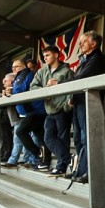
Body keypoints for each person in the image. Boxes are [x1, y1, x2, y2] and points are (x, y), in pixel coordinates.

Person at [68, 31, 105, 183]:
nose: (80, 44)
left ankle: (91, 172)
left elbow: (81, 78)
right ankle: (80, 170)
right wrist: (73, 97)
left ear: (93, 44)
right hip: (79, 101)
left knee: (88, 138)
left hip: (88, 102)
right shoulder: (84, 59)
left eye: (84, 41)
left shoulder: (97, 59)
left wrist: (59, 83)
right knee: (78, 138)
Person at [31, 45, 74, 177]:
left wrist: (66, 106)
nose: (45, 58)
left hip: (62, 110)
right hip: (49, 110)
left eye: (48, 55)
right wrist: (45, 89)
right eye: (44, 56)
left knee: (63, 139)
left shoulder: (67, 71)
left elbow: (72, 88)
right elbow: (33, 87)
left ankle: (61, 167)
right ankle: (69, 159)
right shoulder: (42, 71)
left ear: (56, 55)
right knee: (48, 138)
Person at [12, 56, 48, 171]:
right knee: (41, 137)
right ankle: (44, 161)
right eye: (12, 67)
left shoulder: (26, 74)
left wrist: (12, 91)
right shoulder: (19, 76)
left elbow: (20, 90)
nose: (13, 69)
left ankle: (38, 153)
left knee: (20, 131)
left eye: (16, 66)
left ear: (23, 66)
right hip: (31, 111)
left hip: (35, 110)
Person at [0, 72, 15, 162]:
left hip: (10, 117)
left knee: (8, 137)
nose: (3, 83)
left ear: (11, 81)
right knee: (3, 137)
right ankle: (3, 154)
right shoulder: (5, 91)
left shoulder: (14, 89)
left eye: (5, 81)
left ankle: (7, 155)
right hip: (3, 117)